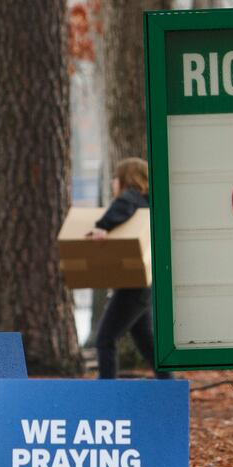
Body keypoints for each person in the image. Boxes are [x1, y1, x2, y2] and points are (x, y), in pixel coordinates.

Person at [88, 157, 172, 380]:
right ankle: (169, 386)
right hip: (143, 285)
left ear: (126, 179)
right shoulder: (149, 202)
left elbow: (123, 204)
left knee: (105, 339)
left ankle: (106, 391)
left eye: (115, 178)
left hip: (132, 287)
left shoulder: (131, 197)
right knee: (146, 342)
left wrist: (102, 227)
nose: (113, 183)